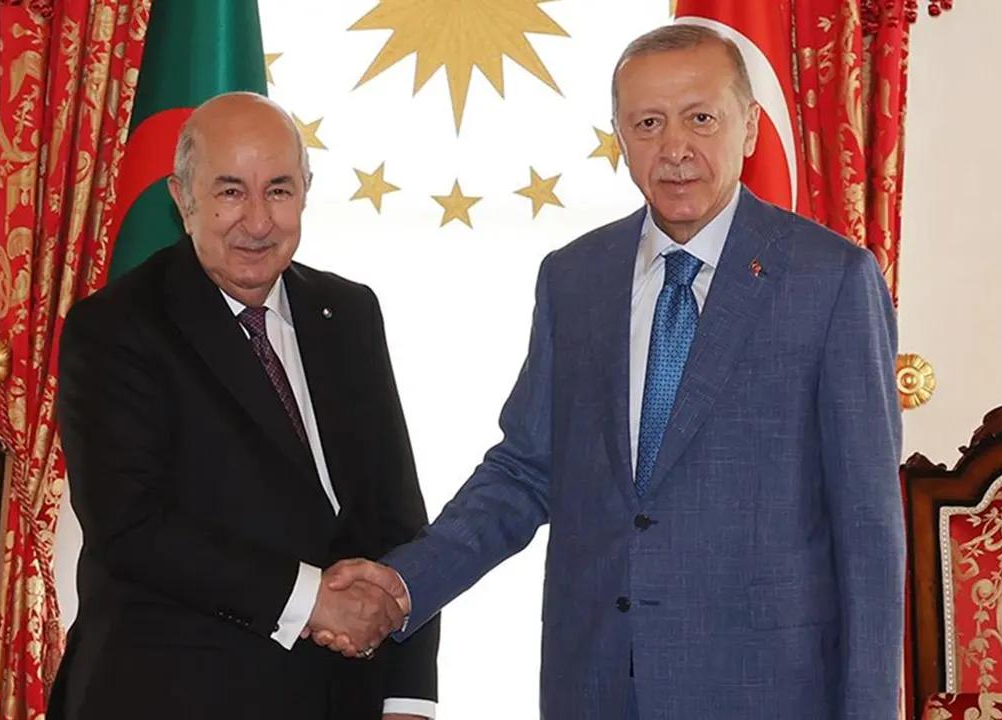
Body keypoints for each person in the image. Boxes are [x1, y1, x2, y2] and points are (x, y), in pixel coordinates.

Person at [322, 24, 905, 719]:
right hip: (595, 684)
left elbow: (869, 530)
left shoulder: (831, 280)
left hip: (765, 690)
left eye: (700, 118)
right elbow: (524, 472)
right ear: (620, 137)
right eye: (648, 123)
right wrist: (403, 584)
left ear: (749, 126)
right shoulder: (574, 278)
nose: (675, 148)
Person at [48, 92, 437, 720]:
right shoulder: (116, 327)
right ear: (182, 198)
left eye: (279, 190)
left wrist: (409, 697)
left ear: (305, 193)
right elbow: (132, 528)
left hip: (346, 698)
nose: (257, 222)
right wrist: (313, 599)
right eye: (230, 191)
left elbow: (397, 517)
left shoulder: (349, 313)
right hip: (170, 695)